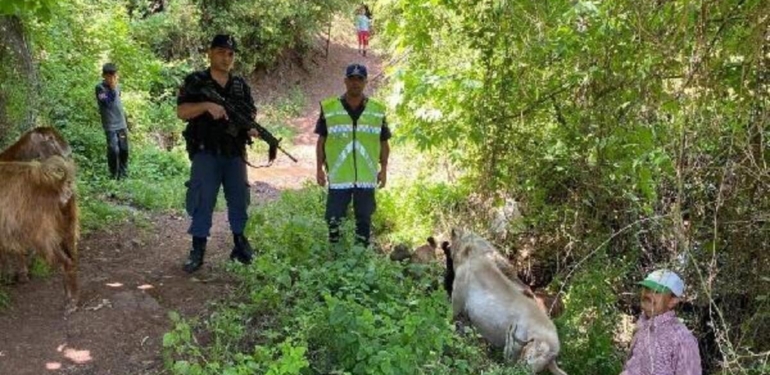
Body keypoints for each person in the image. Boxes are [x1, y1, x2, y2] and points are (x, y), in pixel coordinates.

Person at [176, 34, 261, 273]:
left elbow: (250, 114)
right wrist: (206, 106)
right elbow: (181, 111)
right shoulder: (196, 81)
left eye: (231, 54)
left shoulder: (240, 85)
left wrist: (250, 127)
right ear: (210, 53)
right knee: (202, 198)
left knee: (239, 198)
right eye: (222, 52)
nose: (226, 58)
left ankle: (240, 243)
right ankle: (198, 248)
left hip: (234, 152)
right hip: (206, 152)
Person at [315, 63, 391, 249]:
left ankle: (361, 254)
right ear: (345, 81)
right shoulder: (330, 108)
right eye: (352, 79)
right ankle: (335, 252)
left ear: (365, 82)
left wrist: (384, 170)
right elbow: (321, 142)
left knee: (364, 218)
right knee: (333, 217)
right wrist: (319, 169)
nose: (355, 83)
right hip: (339, 176)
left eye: (360, 79)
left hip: (366, 176)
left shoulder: (377, 110)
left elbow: (384, 143)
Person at [621, 269, 702, 375]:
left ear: (673, 301)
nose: (648, 294)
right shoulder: (642, 324)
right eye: (647, 288)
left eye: (657, 291)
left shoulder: (682, 339)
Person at [95, 63, 130, 179]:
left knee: (124, 149)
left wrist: (114, 88)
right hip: (110, 126)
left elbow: (118, 103)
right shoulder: (100, 88)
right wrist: (112, 88)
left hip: (121, 125)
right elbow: (108, 102)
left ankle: (123, 174)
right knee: (113, 149)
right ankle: (113, 174)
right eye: (109, 76)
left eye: (114, 76)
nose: (112, 79)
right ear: (104, 76)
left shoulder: (118, 86)